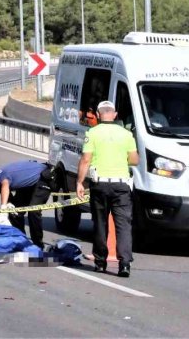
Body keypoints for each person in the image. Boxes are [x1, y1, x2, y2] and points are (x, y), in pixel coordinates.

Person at [76, 101, 139, 278]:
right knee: (123, 225)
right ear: (115, 114)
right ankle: (124, 263)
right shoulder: (126, 134)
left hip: (100, 185)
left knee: (100, 223)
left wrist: (80, 182)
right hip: (121, 185)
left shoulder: (92, 133)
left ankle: (100, 262)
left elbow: (86, 159)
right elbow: (134, 160)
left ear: (97, 114)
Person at [0, 160, 54, 248]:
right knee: (14, 212)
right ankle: (22, 241)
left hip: (42, 178)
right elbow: (6, 192)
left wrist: (3, 207)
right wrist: (9, 204)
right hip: (27, 185)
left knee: (33, 211)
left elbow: (5, 185)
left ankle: (38, 245)